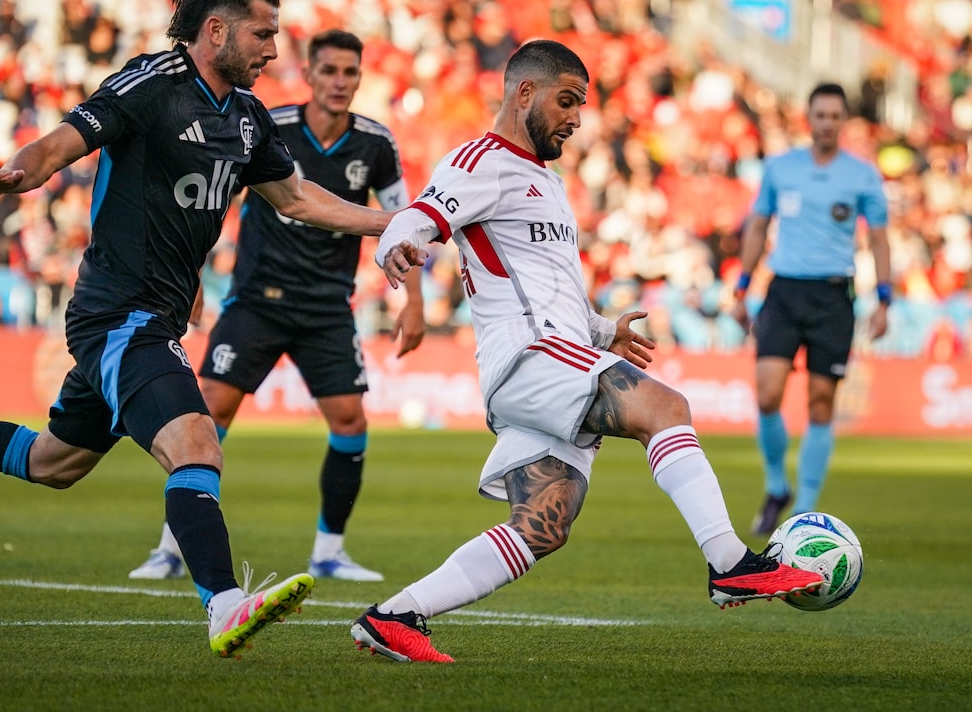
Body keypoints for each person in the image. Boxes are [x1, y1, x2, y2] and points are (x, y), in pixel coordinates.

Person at [0, 0, 395, 660]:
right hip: (118, 313)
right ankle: (223, 604)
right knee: (196, 443)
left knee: (51, 462)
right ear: (216, 31)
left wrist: (396, 224)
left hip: (154, 316)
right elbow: (61, 143)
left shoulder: (248, 118)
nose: (273, 50)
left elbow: (299, 199)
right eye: (263, 34)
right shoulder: (151, 84)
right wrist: (19, 174)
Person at [351, 40, 824, 663]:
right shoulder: (480, 161)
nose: (576, 118)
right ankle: (730, 562)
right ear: (525, 93)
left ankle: (393, 617)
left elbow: (545, 288)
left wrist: (602, 332)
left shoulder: (546, 181)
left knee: (542, 526)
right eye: (567, 101)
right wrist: (397, 246)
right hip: (531, 357)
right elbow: (419, 216)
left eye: (581, 105)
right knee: (666, 409)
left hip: (549, 356)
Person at [129, 29, 425, 584]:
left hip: (327, 306)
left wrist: (413, 301)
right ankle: (171, 547)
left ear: (360, 79)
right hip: (257, 302)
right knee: (207, 415)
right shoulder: (267, 127)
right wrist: (192, 273)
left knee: (350, 420)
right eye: (329, 70)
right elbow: (211, 202)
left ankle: (329, 552)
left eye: (350, 72)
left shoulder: (376, 143)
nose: (339, 82)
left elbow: (403, 223)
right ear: (309, 74)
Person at [731, 83, 891, 537]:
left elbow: (879, 238)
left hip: (833, 296)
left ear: (844, 121)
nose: (827, 123)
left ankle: (803, 510)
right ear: (809, 118)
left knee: (821, 403)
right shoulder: (781, 168)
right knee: (767, 393)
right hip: (784, 291)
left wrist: (884, 298)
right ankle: (776, 486)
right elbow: (758, 225)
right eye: (820, 115)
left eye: (835, 116)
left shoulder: (862, 175)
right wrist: (742, 286)